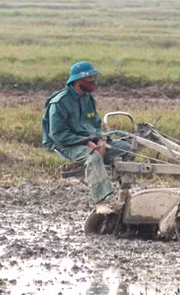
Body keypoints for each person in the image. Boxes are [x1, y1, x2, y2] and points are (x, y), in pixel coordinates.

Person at [41, 61, 132, 206]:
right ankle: (100, 203)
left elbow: (96, 123)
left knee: (126, 148)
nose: (93, 81)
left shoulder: (88, 98)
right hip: (66, 143)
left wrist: (101, 140)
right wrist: (88, 143)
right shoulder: (59, 102)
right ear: (77, 80)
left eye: (93, 78)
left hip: (90, 139)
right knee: (93, 156)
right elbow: (57, 134)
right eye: (89, 78)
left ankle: (124, 193)